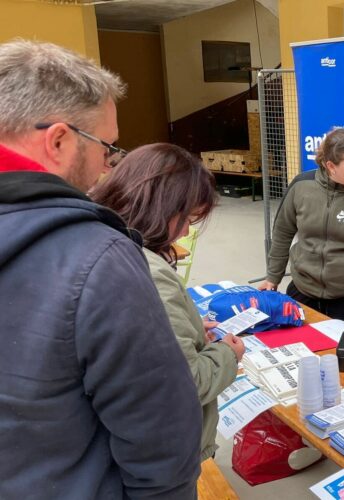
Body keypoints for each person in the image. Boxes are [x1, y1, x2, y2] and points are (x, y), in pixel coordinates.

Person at [0, 40, 201, 498]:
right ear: (58, 140)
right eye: (107, 147)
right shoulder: (96, 258)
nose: (107, 166)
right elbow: (161, 439)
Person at [90, 143, 244, 461]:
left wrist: (188, 327)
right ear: (160, 206)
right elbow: (189, 381)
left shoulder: (104, 244)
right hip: (172, 448)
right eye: (187, 218)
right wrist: (228, 352)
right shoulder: (151, 271)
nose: (186, 230)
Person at [259, 128, 344, 331]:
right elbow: (282, 233)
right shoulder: (300, 186)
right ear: (331, 166)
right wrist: (273, 276)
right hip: (303, 290)